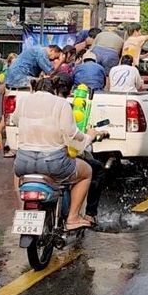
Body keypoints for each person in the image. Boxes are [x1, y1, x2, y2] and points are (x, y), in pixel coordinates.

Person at [13, 76, 107, 230]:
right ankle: (73, 218)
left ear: (35, 89)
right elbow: (71, 134)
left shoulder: (23, 101)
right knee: (88, 172)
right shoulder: (62, 104)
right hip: (53, 163)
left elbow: (16, 121)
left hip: (23, 163)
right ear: (54, 90)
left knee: (17, 174)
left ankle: (22, 209)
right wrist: (89, 137)